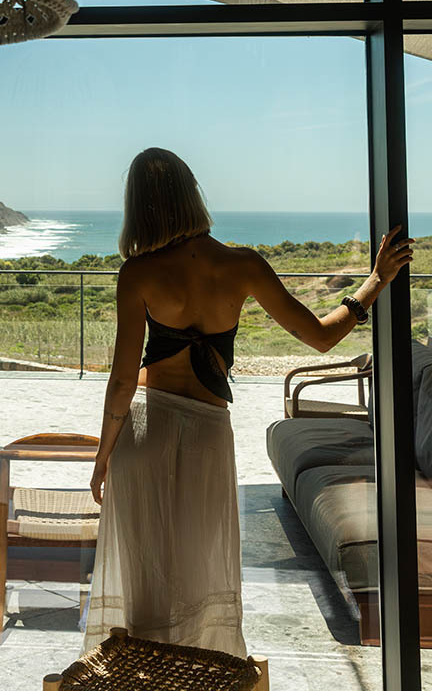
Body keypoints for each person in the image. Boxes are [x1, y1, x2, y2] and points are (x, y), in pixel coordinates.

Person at [83, 147, 413, 656]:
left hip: (146, 427)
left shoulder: (139, 273)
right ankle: (200, 673)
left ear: (141, 206)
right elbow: (321, 337)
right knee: (198, 566)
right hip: (209, 431)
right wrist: (374, 282)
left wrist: (104, 454)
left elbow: (122, 381)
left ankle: (145, 677)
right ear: (191, 194)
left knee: (145, 569)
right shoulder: (243, 265)